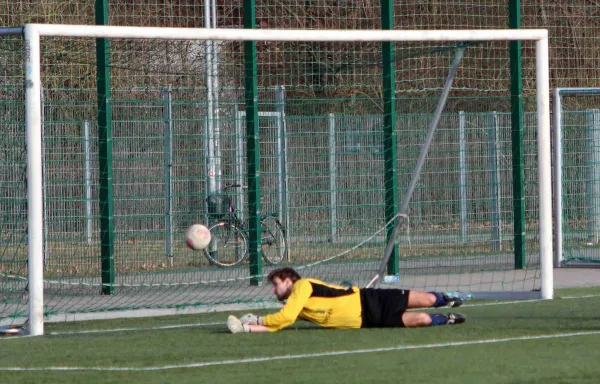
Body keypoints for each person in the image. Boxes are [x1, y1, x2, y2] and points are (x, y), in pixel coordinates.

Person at [227, 267, 466, 333]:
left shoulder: (302, 286)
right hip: (367, 321)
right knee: (423, 319)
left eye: (276, 284)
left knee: (424, 298)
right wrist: (247, 328)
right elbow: (279, 324)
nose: (273, 290)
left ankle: (448, 299)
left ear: (288, 280)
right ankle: (446, 320)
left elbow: (285, 318)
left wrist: (258, 318)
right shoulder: (293, 304)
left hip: (369, 299)